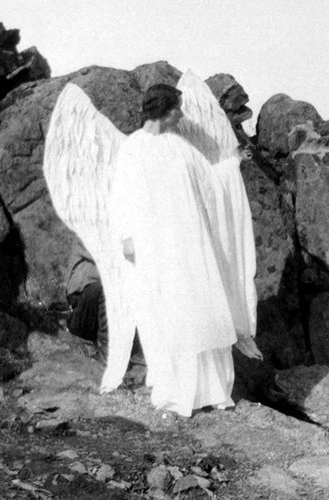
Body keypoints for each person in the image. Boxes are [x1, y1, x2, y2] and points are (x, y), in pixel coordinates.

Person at [107, 84, 242, 417]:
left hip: (187, 244)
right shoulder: (133, 148)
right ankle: (176, 387)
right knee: (166, 310)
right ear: (164, 110)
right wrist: (126, 236)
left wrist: (232, 167)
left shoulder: (179, 147)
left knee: (194, 307)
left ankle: (207, 389)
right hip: (156, 245)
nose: (181, 114)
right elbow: (121, 195)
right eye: (177, 108)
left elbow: (209, 183)